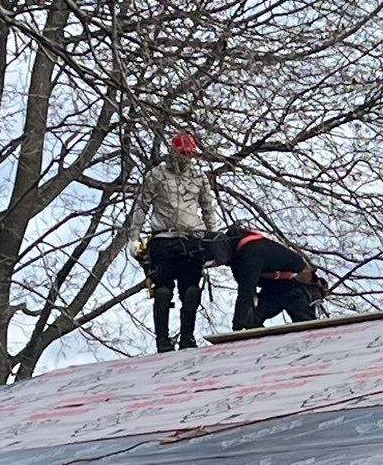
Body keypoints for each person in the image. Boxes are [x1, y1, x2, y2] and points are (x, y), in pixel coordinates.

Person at [135, 131, 220, 352]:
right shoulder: (157, 175)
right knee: (162, 289)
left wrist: (216, 240)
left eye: (189, 154)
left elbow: (208, 209)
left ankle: (187, 337)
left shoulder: (198, 178)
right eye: (182, 153)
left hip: (192, 238)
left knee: (191, 289)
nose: (186, 157)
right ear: (173, 151)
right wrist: (133, 237)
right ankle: (162, 340)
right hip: (163, 237)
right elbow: (142, 205)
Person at [223, 225, 326, 330]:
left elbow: (246, 291)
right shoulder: (239, 260)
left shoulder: (251, 251)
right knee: (250, 319)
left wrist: (236, 328)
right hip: (275, 289)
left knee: (307, 329)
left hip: (298, 287)